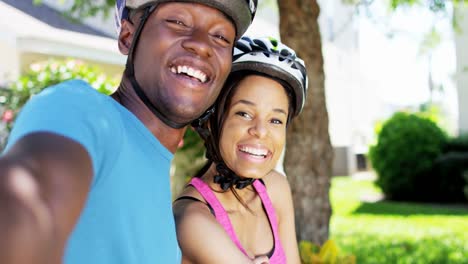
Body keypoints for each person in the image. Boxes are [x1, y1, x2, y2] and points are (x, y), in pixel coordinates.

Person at [0, 0, 258, 263]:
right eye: (178, 22)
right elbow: (25, 210)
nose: (202, 45)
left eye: (221, 37)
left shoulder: (168, 222)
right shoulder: (80, 110)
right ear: (127, 37)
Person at [173, 36, 308, 264]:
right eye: (243, 113)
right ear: (210, 119)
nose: (260, 131)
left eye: (276, 120)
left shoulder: (275, 188)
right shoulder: (192, 218)